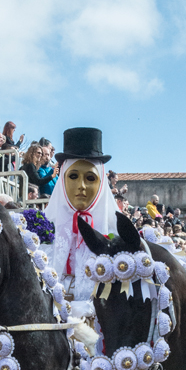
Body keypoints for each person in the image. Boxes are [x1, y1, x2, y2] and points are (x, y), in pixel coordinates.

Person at [43, 127, 118, 319]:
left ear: (101, 183)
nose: (81, 186)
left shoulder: (117, 233)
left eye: (90, 178)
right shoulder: (41, 231)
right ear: (62, 180)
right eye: (73, 176)